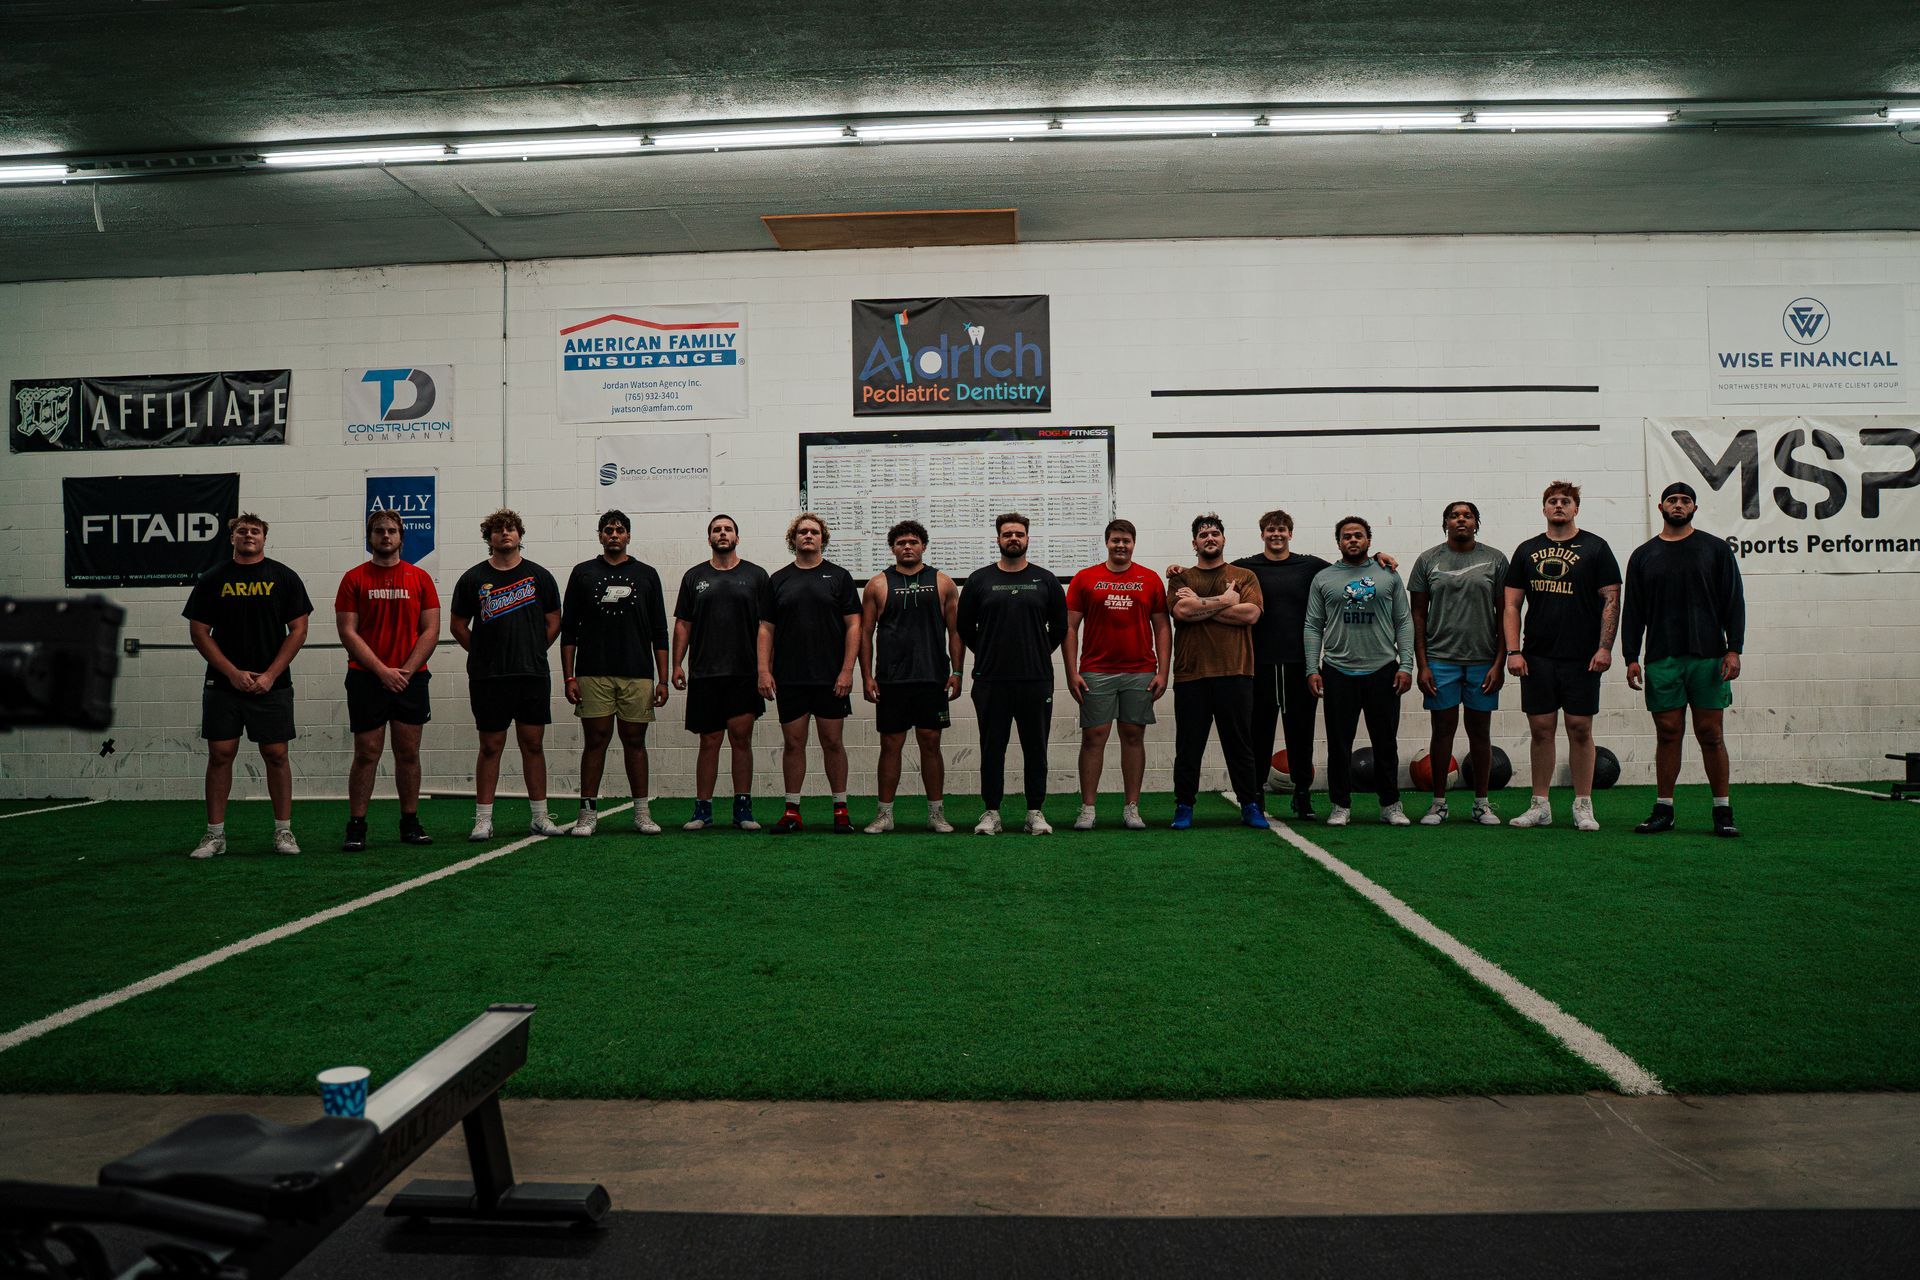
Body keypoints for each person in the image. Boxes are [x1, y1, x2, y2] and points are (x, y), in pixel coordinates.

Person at [184, 512, 313, 859]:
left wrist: (270, 674)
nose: (249, 535)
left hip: (273, 684)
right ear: (232, 538)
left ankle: (283, 831)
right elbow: (199, 632)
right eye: (242, 531)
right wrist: (231, 672)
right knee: (220, 754)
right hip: (224, 685)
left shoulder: (284, 577)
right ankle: (215, 836)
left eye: (255, 531)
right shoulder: (213, 579)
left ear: (264, 538)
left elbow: (298, 630)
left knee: (276, 755)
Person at [1624, 482, 1746, 837]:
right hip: (1662, 658)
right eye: (1672, 501)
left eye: (1685, 501)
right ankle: (1664, 809)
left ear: (1694, 507)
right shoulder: (1643, 555)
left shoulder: (1715, 549)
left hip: (1709, 657)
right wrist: (1631, 656)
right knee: (1668, 732)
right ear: (1661, 506)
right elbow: (1633, 611)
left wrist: (1734, 649)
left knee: (1710, 733)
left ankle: (1722, 811)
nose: (1679, 505)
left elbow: (1733, 602)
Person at [1502, 480, 1622, 832]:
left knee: (1580, 728)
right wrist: (1514, 650)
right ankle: (1540, 805)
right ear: (1544, 509)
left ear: (1576, 508)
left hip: (1582, 656)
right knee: (1541, 729)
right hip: (1537, 655)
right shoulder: (1526, 550)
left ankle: (1583, 804)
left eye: (1565, 501)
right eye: (1552, 501)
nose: (1558, 506)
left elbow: (1611, 601)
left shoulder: (1597, 548)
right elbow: (1511, 604)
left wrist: (1604, 648)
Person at [449, 508, 566, 841]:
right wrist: (484, 652)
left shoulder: (539, 576)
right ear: (489, 538)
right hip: (489, 677)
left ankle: (540, 817)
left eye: (510, 528)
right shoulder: (473, 579)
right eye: (498, 529)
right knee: (490, 746)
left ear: (519, 535)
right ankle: (483, 819)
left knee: (533, 744)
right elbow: (457, 625)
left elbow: (554, 620)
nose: (505, 533)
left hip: (531, 674)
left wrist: (533, 648)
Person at [335, 507, 439, 852]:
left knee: (408, 752)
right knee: (367, 752)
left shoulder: (420, 578)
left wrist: (405, 671)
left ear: (401, 538)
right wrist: (382, 671)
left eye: (392, 531)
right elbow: (348, 632)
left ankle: (409, 822)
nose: (385, 536)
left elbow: (430, 630)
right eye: (379, 531)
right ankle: (356, 825)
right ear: (370, 538)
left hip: (411, 678)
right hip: (366, 678)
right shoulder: (354, 579)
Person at [560, 509, 670, 838]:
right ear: (599, 535)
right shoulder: (583, 574)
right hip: (593, 672)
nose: (614, 534)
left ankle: (641, 812)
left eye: (620, 530)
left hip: (637, 673)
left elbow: (660, 631)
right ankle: (587, 814)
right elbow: (568, 632)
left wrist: (662, 679)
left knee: (635, 741)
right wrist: (569, 677)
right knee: (596, 740)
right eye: (608, 529)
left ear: (628, 536)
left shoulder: (647, 575)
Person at [957, 512, 1067, 835]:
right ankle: (991, 812)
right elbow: (965, 628)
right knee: (992, 747)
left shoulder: (1045, 580)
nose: (1013, 538)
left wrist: (1033, 651)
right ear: (998, 539)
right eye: (1007, 534)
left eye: (1019, 533)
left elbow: (1059, 628)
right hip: (991, 680)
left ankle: (1035, 812)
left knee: (1036, 747)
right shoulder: (979, 581)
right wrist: (991, 652)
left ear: (1028, 538)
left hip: (1036, 679)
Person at [1304, 516, 1415, 827]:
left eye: (1358, 535)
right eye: (1346, 536)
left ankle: (1390, 804)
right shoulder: (1324, 578)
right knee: (1339, 745)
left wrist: (1406, 665)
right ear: (1338, 542)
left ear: (1369, 539)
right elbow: (1312, 625)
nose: (1352, 540)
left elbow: (1403, 622)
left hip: (1382, 669)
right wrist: (1313, 667)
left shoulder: (1388, 574)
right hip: (1337, 671)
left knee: (1385, 743)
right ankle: (1340, 805)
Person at [758, 513, 862, 834]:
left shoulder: (839, 577)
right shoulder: (777, 580)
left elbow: (854, 626)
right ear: (794, 539)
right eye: (802, 532)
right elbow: (765, 629)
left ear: (822, 538)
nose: (808, 536)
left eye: (814, 532)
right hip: (790, 677)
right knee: (793, 743)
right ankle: (792, 812)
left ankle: (841, 810)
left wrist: (847, 670)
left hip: (831, 679)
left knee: (833, 742)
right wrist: (763, 670)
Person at [1063, 519, 1170, 831]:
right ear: (1107, 543)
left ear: (1133, 543)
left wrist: (1163, 671)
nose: (1120, 545)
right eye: (1115, 540)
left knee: (1133, 736)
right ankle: (1088, 808)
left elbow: (1162, 626)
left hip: (1140, 672)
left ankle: (1131, 807)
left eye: (1126, 540)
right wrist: (1072, 672)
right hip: (1096, 671)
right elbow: (1069, 627)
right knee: (1094, 737)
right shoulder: (1085, 578)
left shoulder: (1149, 579)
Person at [859, 520, 963, 834]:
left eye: (913, 542)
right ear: (893, 547)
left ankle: (936, 814)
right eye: (901, 542)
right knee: (891, 744)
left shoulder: (943, 582)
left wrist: (957, 671)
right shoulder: (877, 584)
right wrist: (866, 676)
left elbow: (956, 631)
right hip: (891, 679)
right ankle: (884, 815)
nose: (907, 546)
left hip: (932, 677)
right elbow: (865, 634)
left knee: (931, 743)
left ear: (923, 546)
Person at [1409, 501, 1509, 826]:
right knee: (1442, 731)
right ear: (1445, 523)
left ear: (1477, 523)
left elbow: (1505, 614)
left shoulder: (1495, 560)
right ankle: (1439, 803)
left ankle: (1482, 803)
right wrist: (1422, 665)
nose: (1461, 520)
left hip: (1483, 661)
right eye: (1454, 515)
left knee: (1480, 732)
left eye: (1467, 515)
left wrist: (1499, 663)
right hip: (1440, 661)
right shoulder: (1428, 561)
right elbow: (1418, 616)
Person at [672, 514, 774, 831]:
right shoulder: (694, 577)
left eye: (728, 528)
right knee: (709, 741)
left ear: (737, 537)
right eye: (717, 529)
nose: (722, 533)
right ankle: (702, 810)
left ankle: (742, 809)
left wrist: (764, 670)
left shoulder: (757, 576)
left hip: (744, 673)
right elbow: (683, 624)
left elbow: (766, 627)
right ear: (710, 539)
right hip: (705, 673)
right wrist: (676, 664)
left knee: (741, 740)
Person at [1166, 512, 1266, 831]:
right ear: (1194, 542)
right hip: (1191, 674)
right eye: (1203, 534)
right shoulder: (1181, 578)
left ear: (1224, 539)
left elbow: (1250, 614)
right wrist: (1224, 601)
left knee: (1240, 745)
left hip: (1235, 672)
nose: (1210, 538)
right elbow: (1181, 611)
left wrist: (1202, 607)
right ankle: (1184, 806)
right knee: (1189, 747)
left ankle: (1250, 805)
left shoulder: (1244, 575)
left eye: (1215, 533)